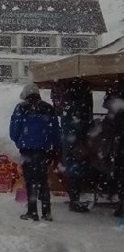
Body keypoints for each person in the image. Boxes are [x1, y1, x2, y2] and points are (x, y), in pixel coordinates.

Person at [9, 83, 61, 221]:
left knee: (30, 180)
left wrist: (21, 141)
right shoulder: (49, 108)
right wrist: (54, 148)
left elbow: (14, 130)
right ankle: (46, 212)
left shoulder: (21, 108)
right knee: (43, 179)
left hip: (27, 150)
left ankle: (32, 211)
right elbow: (56, 131)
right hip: (44, 151)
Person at [54, 79, 93, 212]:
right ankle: (75, 201)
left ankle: (74, 199)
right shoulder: (79, 107)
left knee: (72, 170)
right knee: (76, 169)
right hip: (75, 141)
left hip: (69, 140)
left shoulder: (68, 106)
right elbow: (80, 124)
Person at [96, 89, 124, 217]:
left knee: (119, 173)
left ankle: (120, 202)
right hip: (118, 145)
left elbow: (109, 126)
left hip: (118, 146)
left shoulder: (116, 110)